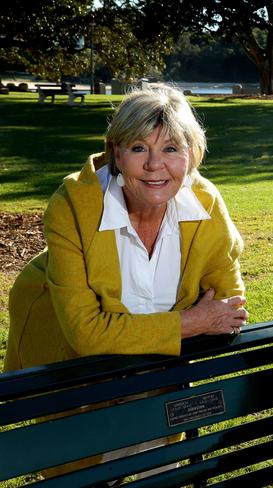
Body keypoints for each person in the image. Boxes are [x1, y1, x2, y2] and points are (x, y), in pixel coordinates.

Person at [4, 86, 248, 475]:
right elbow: (85, 334)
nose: (155, 166)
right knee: (84, 468)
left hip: (155, 381)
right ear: (116, 153)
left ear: (191, 155)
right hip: (75, 371)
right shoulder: (73, 204)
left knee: (157, 466)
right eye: (138, 148)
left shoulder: (205, 203)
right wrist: (189, 323)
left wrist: (137, 334)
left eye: (171, 149)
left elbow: (230, 307)